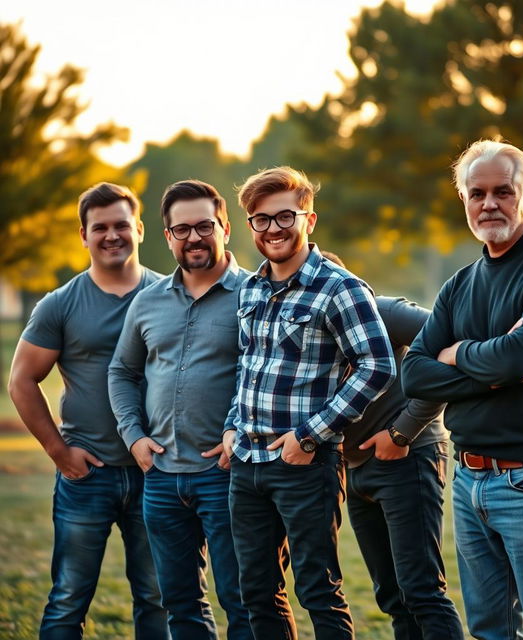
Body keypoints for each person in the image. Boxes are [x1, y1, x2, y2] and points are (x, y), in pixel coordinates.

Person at [402, 139, 523, 640]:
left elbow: (518, 360)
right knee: (490, 630)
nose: (489, 203)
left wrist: (459, 352)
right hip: (468, 480)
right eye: (477, 193)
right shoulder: (460, 285)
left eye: (503, 191)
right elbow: (416, 375)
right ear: (465, 200)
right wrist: (490, 361)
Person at [223, 167, 396, 640]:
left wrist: (308, 436)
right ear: (250, 226)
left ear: (309, 219)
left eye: (285, 216)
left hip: (304, 463)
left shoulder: (340, 288)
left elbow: (377, 366)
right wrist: (232, 424)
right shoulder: (251, 288)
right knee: (256, 591)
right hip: (247, 462)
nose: (273, 228)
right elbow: (248, 364)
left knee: (318, 590)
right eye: (261, 219)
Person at [8, 183, 168, 639]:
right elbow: (21, 380)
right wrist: (59, 452)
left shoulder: (169, 295)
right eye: (100, 227)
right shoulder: (60, 304)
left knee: (159, 599)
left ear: (139, 228)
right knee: (68, 599)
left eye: (121, 225)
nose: (111, 235)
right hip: (87, 475)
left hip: (157, 473)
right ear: (84, 235)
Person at [108, 180, 252, 640]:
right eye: (182, 229)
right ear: (167, 236)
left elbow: (266, 375)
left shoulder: (256, 296)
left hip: (230, 475)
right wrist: (134, 436)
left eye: (204, 226)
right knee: (180, 605)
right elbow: (122, 372)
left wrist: (241, 432)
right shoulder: (146, 303)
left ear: (225, 227)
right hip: (162, 478)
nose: (194, 237)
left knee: (245, 600)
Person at [321, 251, 464, 640]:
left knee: (422, 591)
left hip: (408, 456)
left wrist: (402, 431)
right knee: (392, 596)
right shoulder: (310, 328)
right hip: (354, 468)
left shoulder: (383, 312)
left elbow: (448, 347)